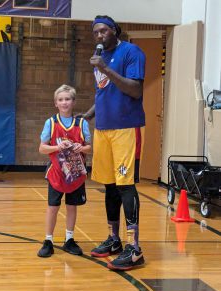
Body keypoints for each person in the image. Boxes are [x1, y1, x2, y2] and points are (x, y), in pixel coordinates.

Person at [85, 15, 146, 271]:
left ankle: (135, 249)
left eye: (103, 31)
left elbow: (135, 90)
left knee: (125, 186)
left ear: (114, 30)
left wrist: (107, 68)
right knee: (109, 185)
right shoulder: (99, 60)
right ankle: (114, 239)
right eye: (95, 32)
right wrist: (88, 115)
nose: (99, 36)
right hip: (103, 129)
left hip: (125, 128)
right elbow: (104, 91)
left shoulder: (131, 52)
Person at [37, 84, 91, 258]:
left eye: (67, 99)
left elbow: (89, 147)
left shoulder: (81, 123)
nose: (64, 102)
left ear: (73, 102)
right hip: (57, 174)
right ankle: (48, 240)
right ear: (56, 103)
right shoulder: (51, 123)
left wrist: (80, 148)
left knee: (71, 206)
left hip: (75, 173)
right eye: (61, 99)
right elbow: (41, 149)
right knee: (53, 207)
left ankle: (69, 239)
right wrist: (56, 147)